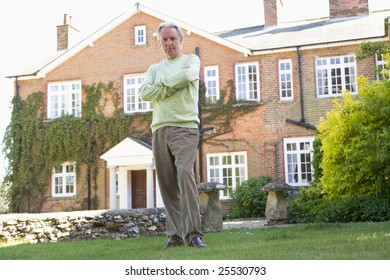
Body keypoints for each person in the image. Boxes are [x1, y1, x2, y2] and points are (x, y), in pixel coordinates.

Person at [139, 22, 207, 249]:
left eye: (172, 39)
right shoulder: (153, 69)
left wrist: (162, 86)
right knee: (167, 184)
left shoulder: (190, 61)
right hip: (159, 129)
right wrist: (171, 86)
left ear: (180, 40)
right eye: (164, 40)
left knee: (185, 175)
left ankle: (194, 235)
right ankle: (175, 236)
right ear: (159, 42)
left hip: (185, 128)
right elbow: (144, 93)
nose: (169, 43)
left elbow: (188, 77)